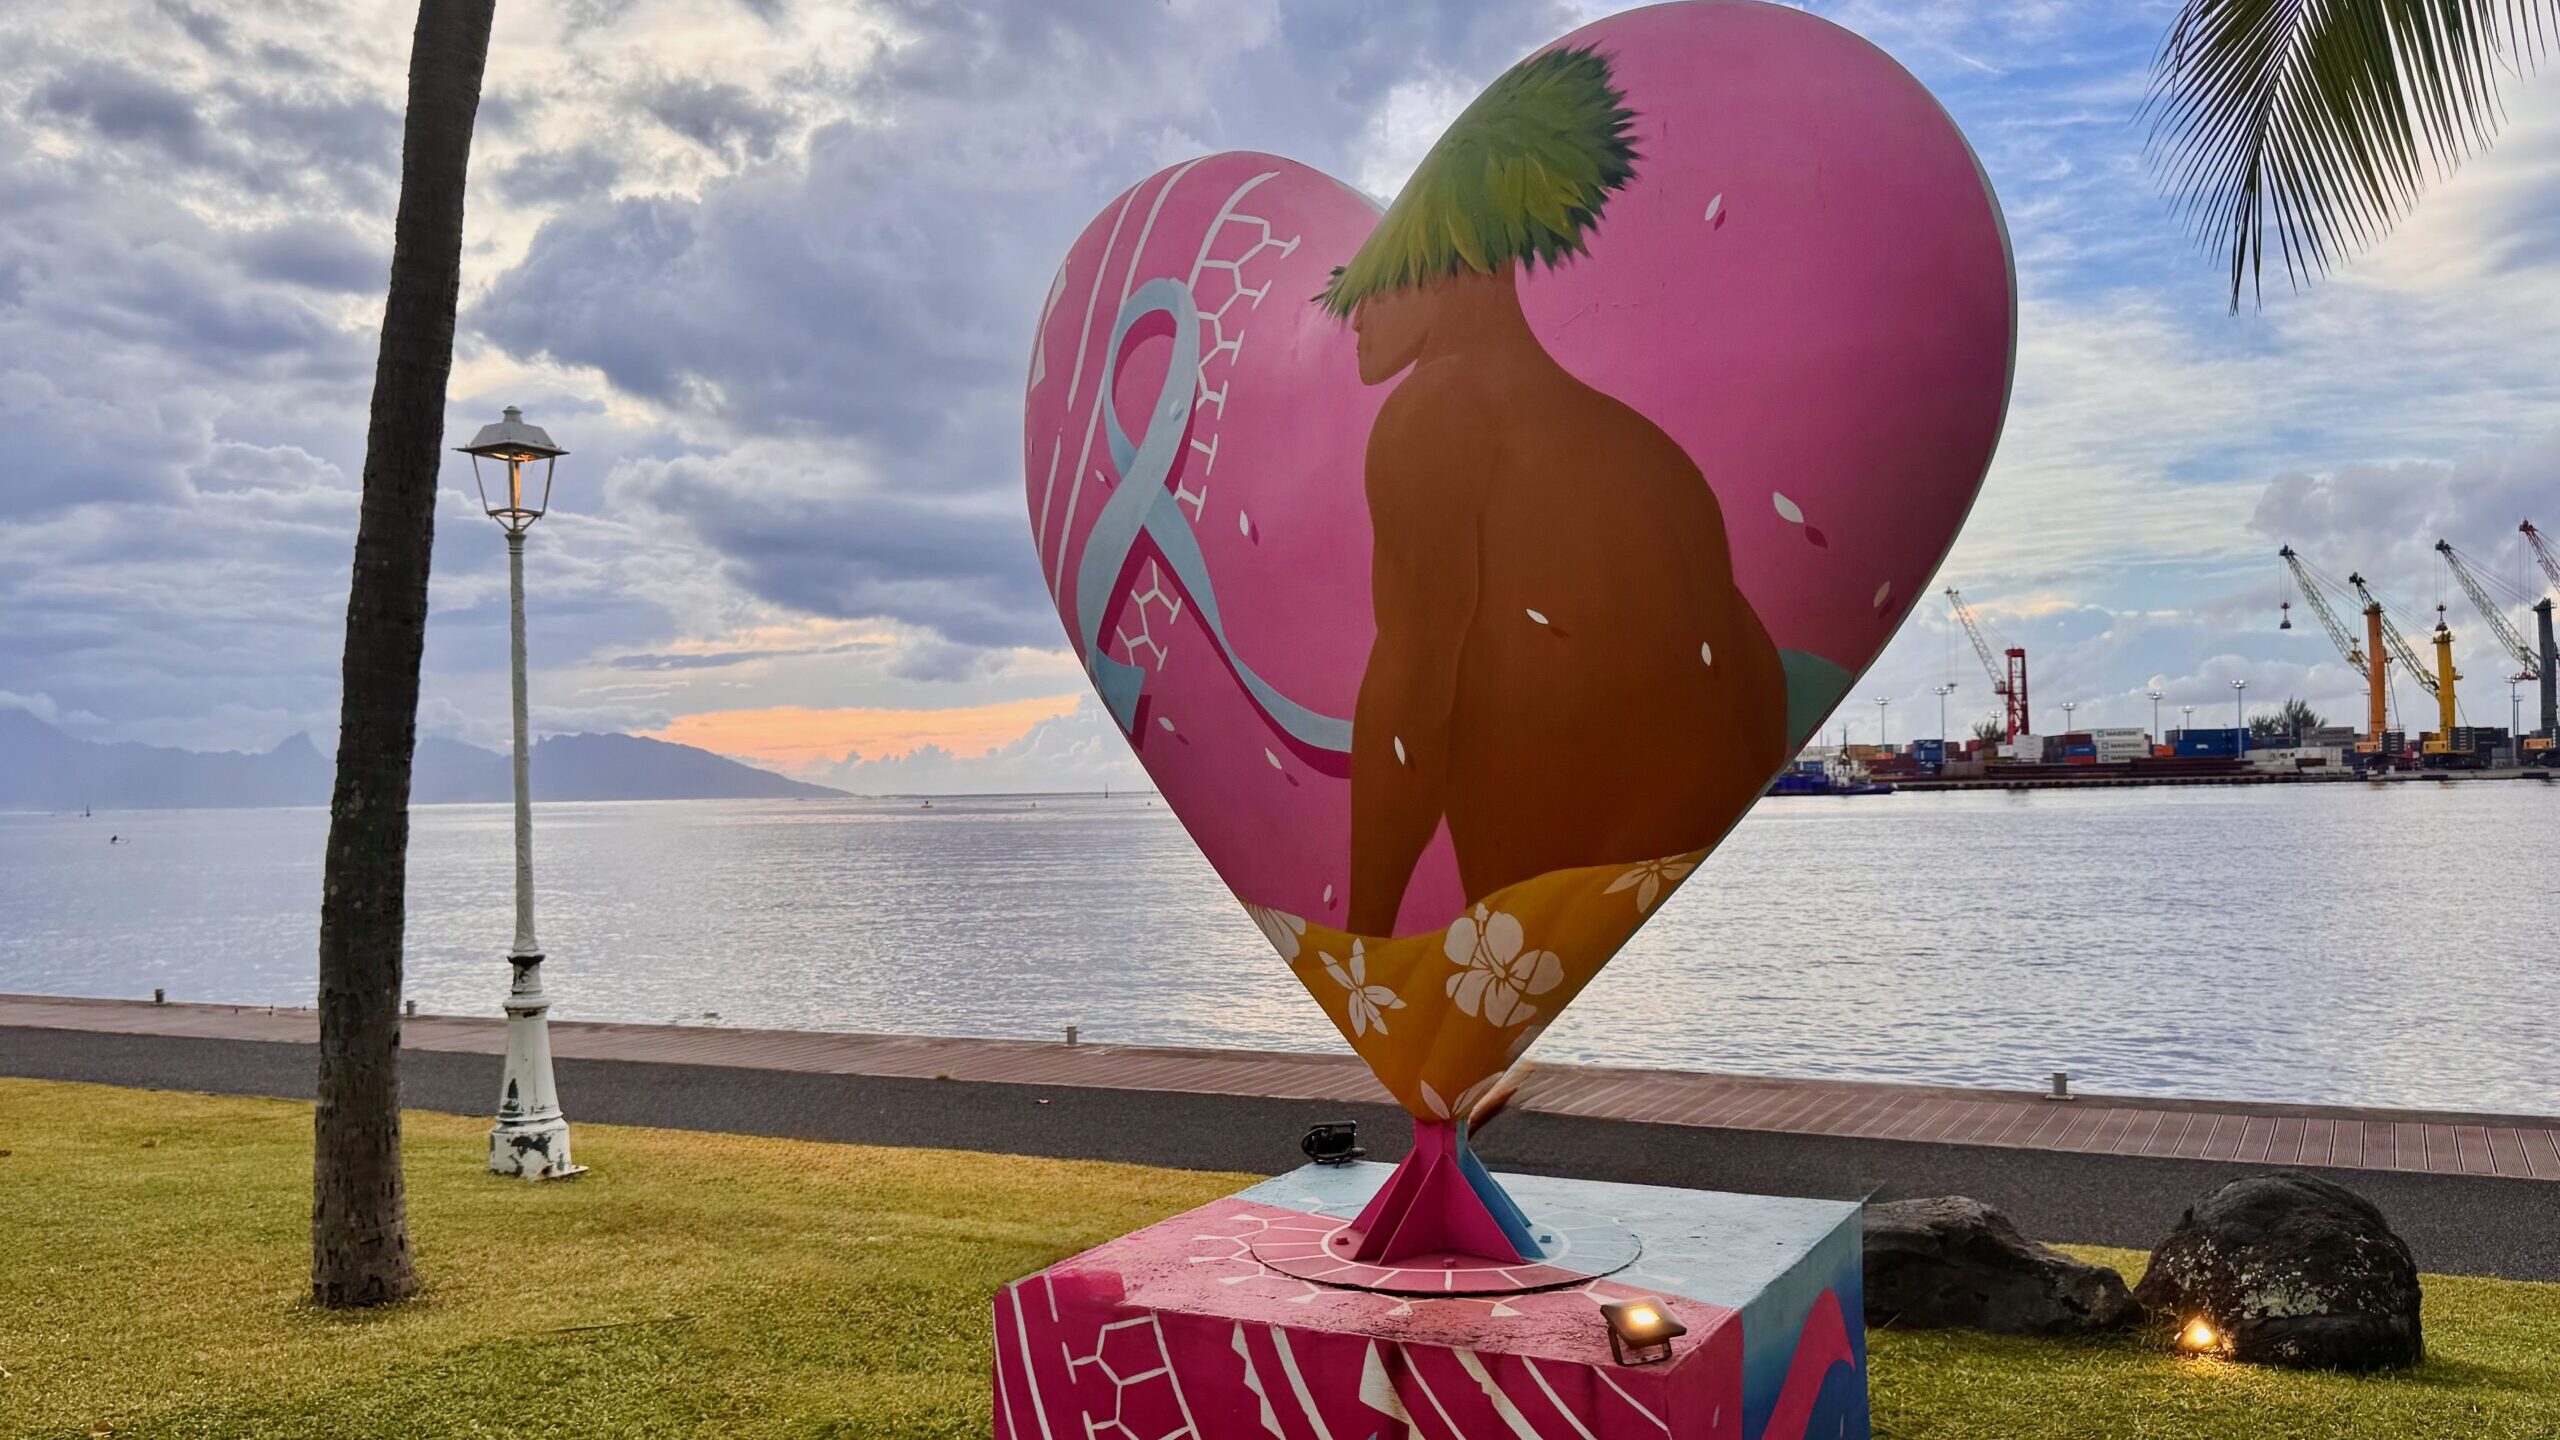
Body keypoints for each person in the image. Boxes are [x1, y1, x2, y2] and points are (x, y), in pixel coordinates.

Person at [1321, 46, 1788, 937]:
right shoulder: (1652, 456)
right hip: (1619, 896)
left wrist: (1366, 955)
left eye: (1373, 288)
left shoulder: (1436, 414)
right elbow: (1751, 692)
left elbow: (1410, 693)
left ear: (1451, 257)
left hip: (1513, 923)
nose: (1357, 322)